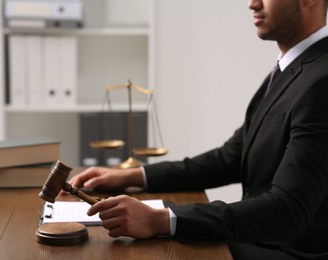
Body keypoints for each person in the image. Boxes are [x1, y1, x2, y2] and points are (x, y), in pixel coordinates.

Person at [69, 0, 328, 258]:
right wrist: (135, 176)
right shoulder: (289, 70)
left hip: (291, 251)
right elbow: (231, 158)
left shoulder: (321, 80)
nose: (252, 4)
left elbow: (287, 211)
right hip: (260, 239)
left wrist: (162, 220)